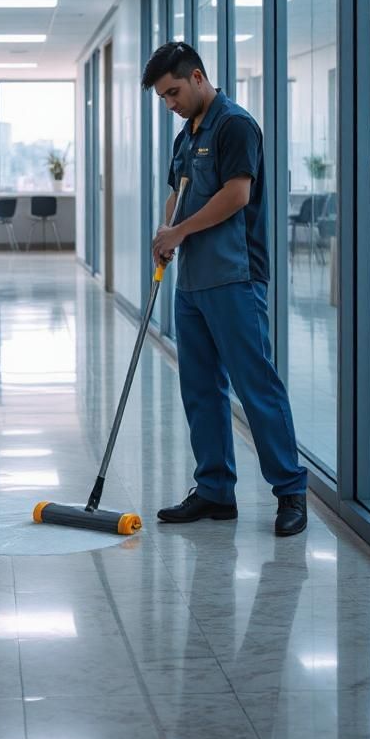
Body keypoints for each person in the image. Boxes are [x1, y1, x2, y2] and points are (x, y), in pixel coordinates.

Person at [142, 41, 308, 537]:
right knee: (200, 389)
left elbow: (238, 194)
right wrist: (164, 231)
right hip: (192, 281)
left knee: (256, 386)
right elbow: (179, 190)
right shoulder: (186, 133)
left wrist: (181, 231)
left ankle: (290, 492)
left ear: (197, 77)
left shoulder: (235, 124)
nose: (170, 103)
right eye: (163, 98)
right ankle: (214, 491)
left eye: (173, 92)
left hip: (235, 277)